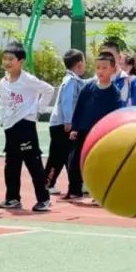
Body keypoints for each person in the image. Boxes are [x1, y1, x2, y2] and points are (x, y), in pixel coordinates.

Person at [0, 42, 54, 212]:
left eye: (11, 59)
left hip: (25, 125)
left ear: (20, 61)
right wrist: (2, 118)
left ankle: (43, 199)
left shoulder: (28, 79)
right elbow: (4, 102)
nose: (7, 62)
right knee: (11, 164)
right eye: (5, 58)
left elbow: (49, 90)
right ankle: (12, 198)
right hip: (10, 126)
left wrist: (38, 110)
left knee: (33, 163)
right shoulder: (4, 81)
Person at [68, 52, 123, 201]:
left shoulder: (114, 93)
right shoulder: (88, 87)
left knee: (99, 164)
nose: (100, 71)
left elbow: (117, 114)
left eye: (104, 68)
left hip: (102, 134)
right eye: (98, 67)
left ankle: (98, 193)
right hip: (84, 131)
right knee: (75, 161)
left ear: (113, 69)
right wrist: (75, 128)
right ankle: (75, 189)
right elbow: (79, 107)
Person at [46, 49, 86, 196]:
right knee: (67, 156)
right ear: (80, 64)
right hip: (62, 124)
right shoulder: (71, 81)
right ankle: (74, 185)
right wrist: (68, 121)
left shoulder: (73, 80)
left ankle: (49, 183)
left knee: (58, 156)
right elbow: (67, 102)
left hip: (59, 124)